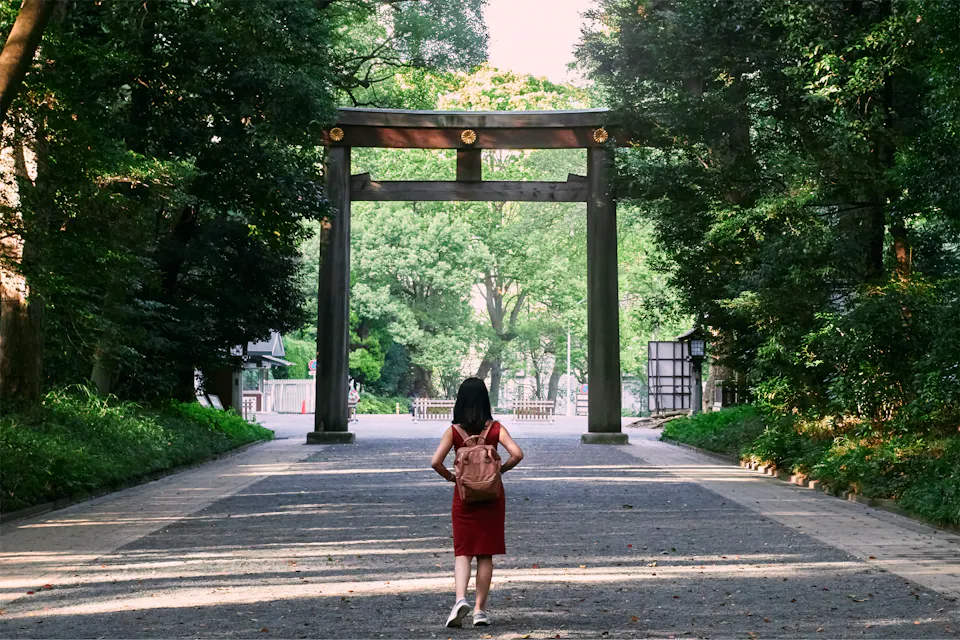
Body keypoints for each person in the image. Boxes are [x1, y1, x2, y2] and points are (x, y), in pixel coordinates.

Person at [430, 377, 524, 628]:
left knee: (463, 552)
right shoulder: (495, 429)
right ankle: (480, 610)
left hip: (465, 497)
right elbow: (517, 454)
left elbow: (435, 462)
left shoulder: (454, 432)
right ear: (485, 400)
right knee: (485, 554)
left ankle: (460, 599)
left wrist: (453, 478)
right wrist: (498, 471)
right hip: (492, 497)